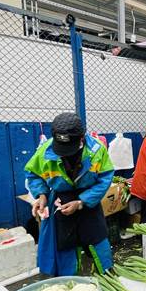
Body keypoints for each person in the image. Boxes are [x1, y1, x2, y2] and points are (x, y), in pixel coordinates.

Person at [25, 112, 115, 276]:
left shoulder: (96, 150)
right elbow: (33, 175)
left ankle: (107, 276)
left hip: (89, 201)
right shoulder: (45, 151)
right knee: (64, 247)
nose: (65, 153)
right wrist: (42, 196)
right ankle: (68, 281)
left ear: (81, 138)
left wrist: (81, 202)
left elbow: (105, 178)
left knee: (98, 241)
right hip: (60, 201)